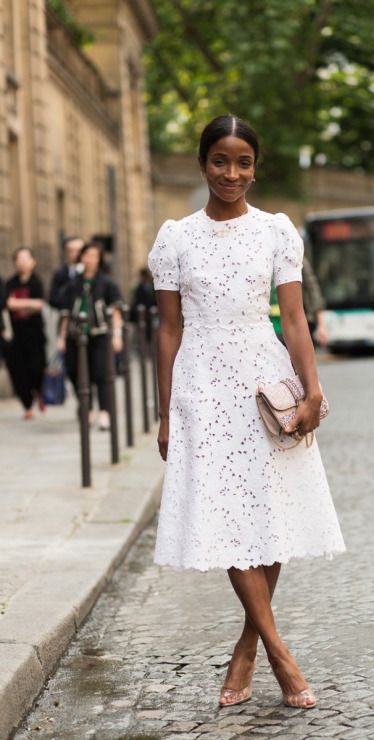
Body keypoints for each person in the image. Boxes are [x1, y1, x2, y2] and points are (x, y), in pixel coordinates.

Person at [148, 114, 346, 710]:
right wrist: (164, 414)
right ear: (202, 163)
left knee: (267, 510)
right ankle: (282, 655)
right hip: (201, 388)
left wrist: (310, 391)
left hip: (265, 380)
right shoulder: (174, 238)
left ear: (254, 167)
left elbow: (293, 319)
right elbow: (167, 330)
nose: (232, 173)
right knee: (227, 516)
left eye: (243, 162)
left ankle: (247, 646)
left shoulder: (278, 232)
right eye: (220, 161)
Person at [58, 240, 122, 430]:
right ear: (81, 257)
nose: (90, 260)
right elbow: (65, 313)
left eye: (95, 256)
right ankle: (87, 409)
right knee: (75, 371)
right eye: (87, 255)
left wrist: (117, 334)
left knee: (102, 374)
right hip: (75, 336)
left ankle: (104, 413)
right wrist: (61, 337)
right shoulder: (73, 284)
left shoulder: (107, 282)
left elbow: (116, 310)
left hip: (100, 334)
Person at [3, 247, 47, 419]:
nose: (22, 262)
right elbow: (7, 304)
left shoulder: (36, 281)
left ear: (33, 261)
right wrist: (29, 304)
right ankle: (27, 406)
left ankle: (39, 392)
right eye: (19, 259)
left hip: (35, 334)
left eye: (25, 258)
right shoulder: (10, 283)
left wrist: (17, 303)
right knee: (19, 372)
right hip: (15, 335)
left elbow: (40, 304)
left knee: (37, 368)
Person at [270, 255, 330, 348]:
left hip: (294, 327)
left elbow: (312, 290)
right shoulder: (257, 255)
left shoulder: (294, 254)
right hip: (266, 329)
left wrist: (321, 325)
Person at [49, 236, 85, 310]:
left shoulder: (94, 273)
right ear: (66, 252)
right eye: (72, 250)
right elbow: (53, 299)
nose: (76, 254)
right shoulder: (59, 274)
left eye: (79, 250)